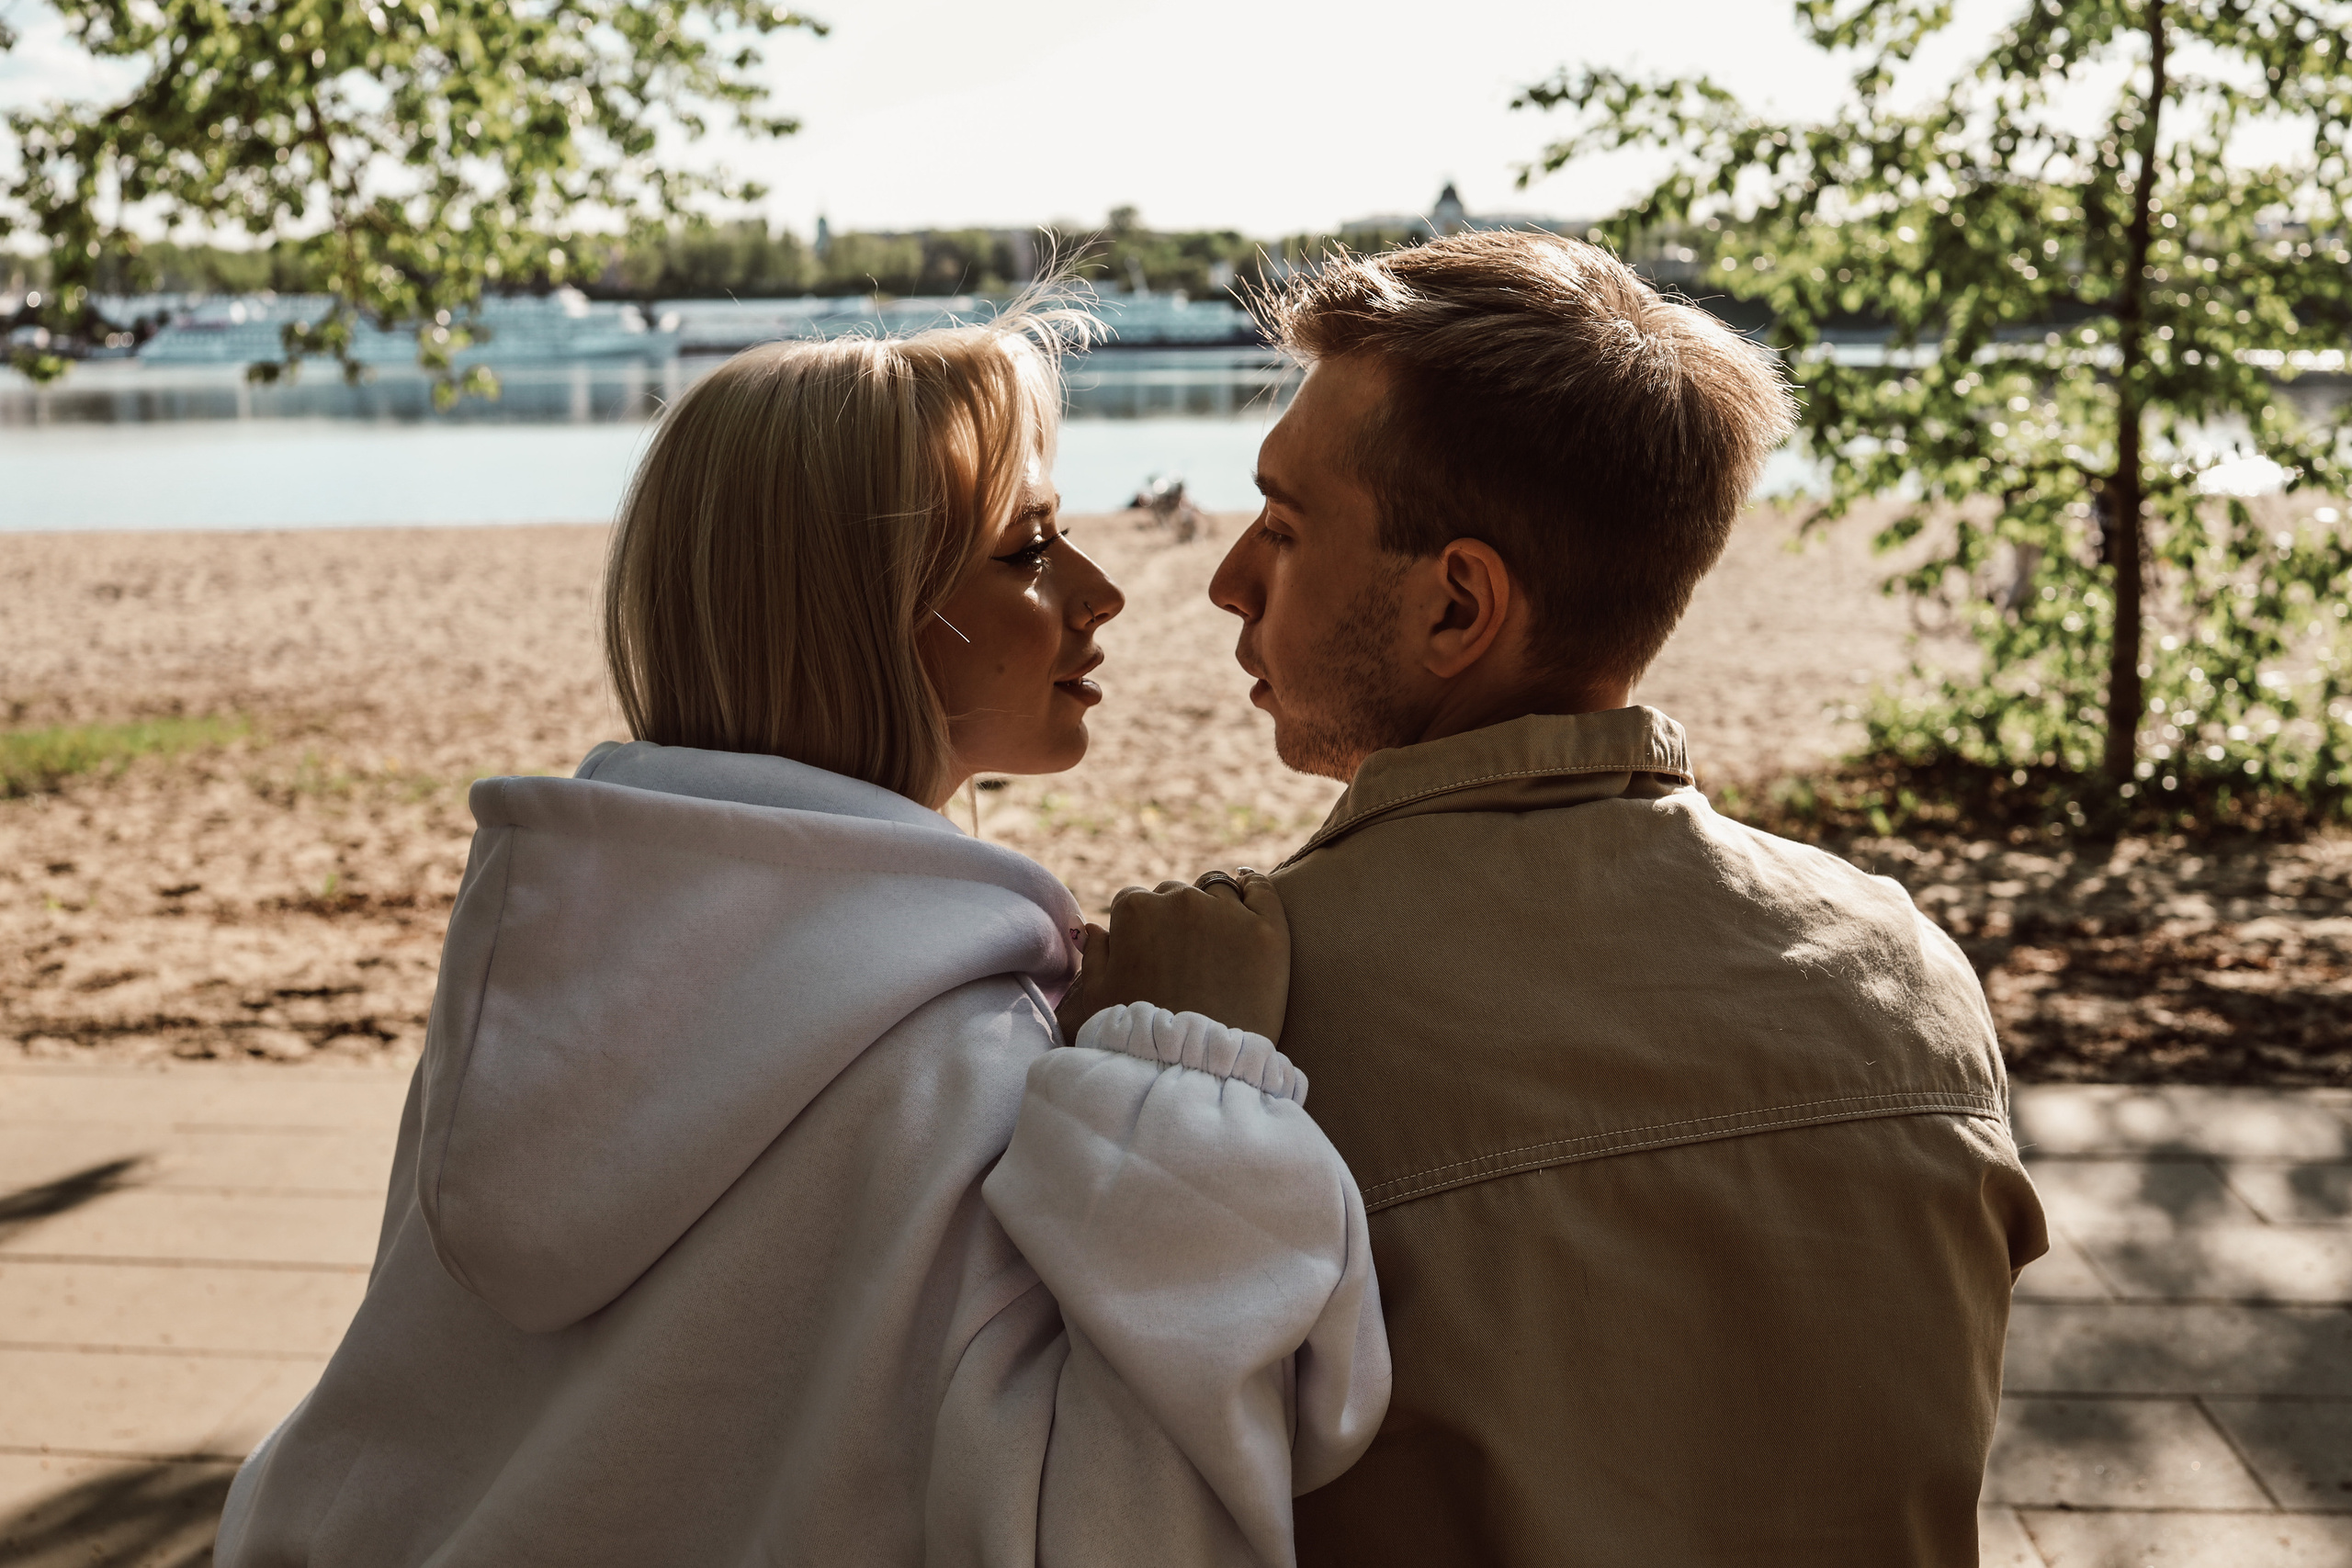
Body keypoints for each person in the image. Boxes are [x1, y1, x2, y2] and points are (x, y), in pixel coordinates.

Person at [214, 303, 1388, 1568]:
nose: (1099, 594)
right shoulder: (956, 1071)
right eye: (1030, 549)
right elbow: (1115, 1531)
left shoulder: (540, 988)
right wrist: (1191, 1080)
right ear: (860, 615)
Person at [1080, 231, 2048, 1565]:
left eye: (1286, 528)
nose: (1228, 577)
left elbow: (1108, 1496)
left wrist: (1147, 1083)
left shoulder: (1241, 1034)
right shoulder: (1909, 972)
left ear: (1457, 607)